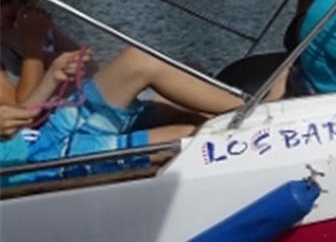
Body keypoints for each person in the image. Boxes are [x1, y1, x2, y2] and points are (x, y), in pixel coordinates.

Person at [0, 45, 286, 181]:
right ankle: (265, 119)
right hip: (37, 165)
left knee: (137, 61)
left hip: (43, 135)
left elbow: (17, 120)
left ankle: (255, 109)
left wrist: (52, 76)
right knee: (187, 137)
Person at [0, 0, 91, 101]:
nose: (16, 7)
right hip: (48, 121)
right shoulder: (28, 34)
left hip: (71, 106)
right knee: (140, 62)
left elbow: (90, 67)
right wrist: (32, 48)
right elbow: (18, 115)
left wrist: (42, 53)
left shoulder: (37, 24)